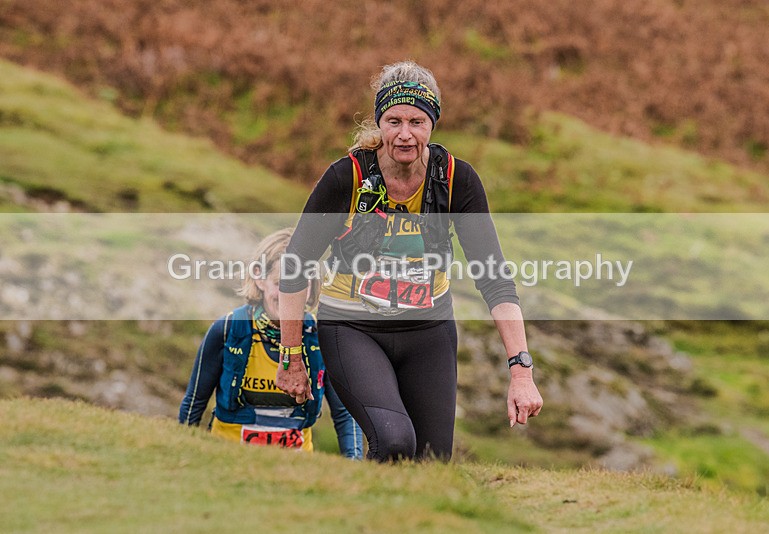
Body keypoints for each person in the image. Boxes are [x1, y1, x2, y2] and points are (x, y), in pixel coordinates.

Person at [277, 61, 543, 462]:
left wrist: (521, 371)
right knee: (395, 440)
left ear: (432, 124)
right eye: (393, 120)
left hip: (428, 329)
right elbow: (295, 267)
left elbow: (495, 279)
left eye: (417, 122)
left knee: (432, 464)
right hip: (352, 327)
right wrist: (291, 357)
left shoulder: (456, 180)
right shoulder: (346, 179)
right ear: (379, 123)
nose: (404, 134)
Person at [179, 228, 363, 458]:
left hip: (297, 464)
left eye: (300, 285)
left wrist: (354, 463)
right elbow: (194, 402)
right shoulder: (228, 329)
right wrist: (181, 461)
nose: (289, 295)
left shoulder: (322, 336)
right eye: (281, 284)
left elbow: (345, 413)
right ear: (259, 277)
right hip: (227, 459)